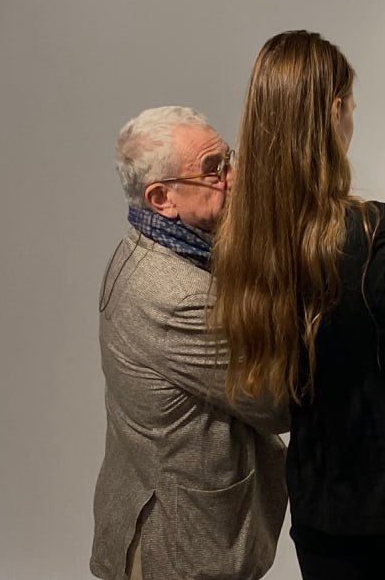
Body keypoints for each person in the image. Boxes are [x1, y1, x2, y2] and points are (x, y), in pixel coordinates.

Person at [211, 30, 385, 579]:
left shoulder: (246, 243)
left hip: (323, 516)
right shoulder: (384, 235)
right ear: (335, 111)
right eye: (352, 107)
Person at [92, 106, 289, 580]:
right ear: (162, 198)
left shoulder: (149, 249)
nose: (234, 179)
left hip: (174, 530)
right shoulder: (177, 296)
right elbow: (277, 402)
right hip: (180, 550)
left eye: (228, 159)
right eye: (213, 170)